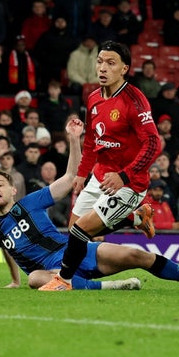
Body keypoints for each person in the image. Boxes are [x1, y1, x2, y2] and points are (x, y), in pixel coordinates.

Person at [0, 117, 179, 292]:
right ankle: (114, 285)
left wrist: (73, 140)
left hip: (75, 253)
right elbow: (6, 247)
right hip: (47, 272)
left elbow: (68, 177)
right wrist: (15, 280)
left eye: (0, 185)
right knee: (34, 279)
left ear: (13, 189)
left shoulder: (31, 202)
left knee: (137, 256)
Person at [40, 40, 158, 291]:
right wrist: (81, 175)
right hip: (99, 175)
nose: (103, 68)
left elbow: (153, 145)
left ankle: (65, 281)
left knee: (83, 230)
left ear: (124, 68)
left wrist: (124, 177)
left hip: (127, 181)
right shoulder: (93, 98)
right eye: (100, 61)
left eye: (110, 63)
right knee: (74, 231)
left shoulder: (135, 101)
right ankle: (137, 219)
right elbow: (93, 140)